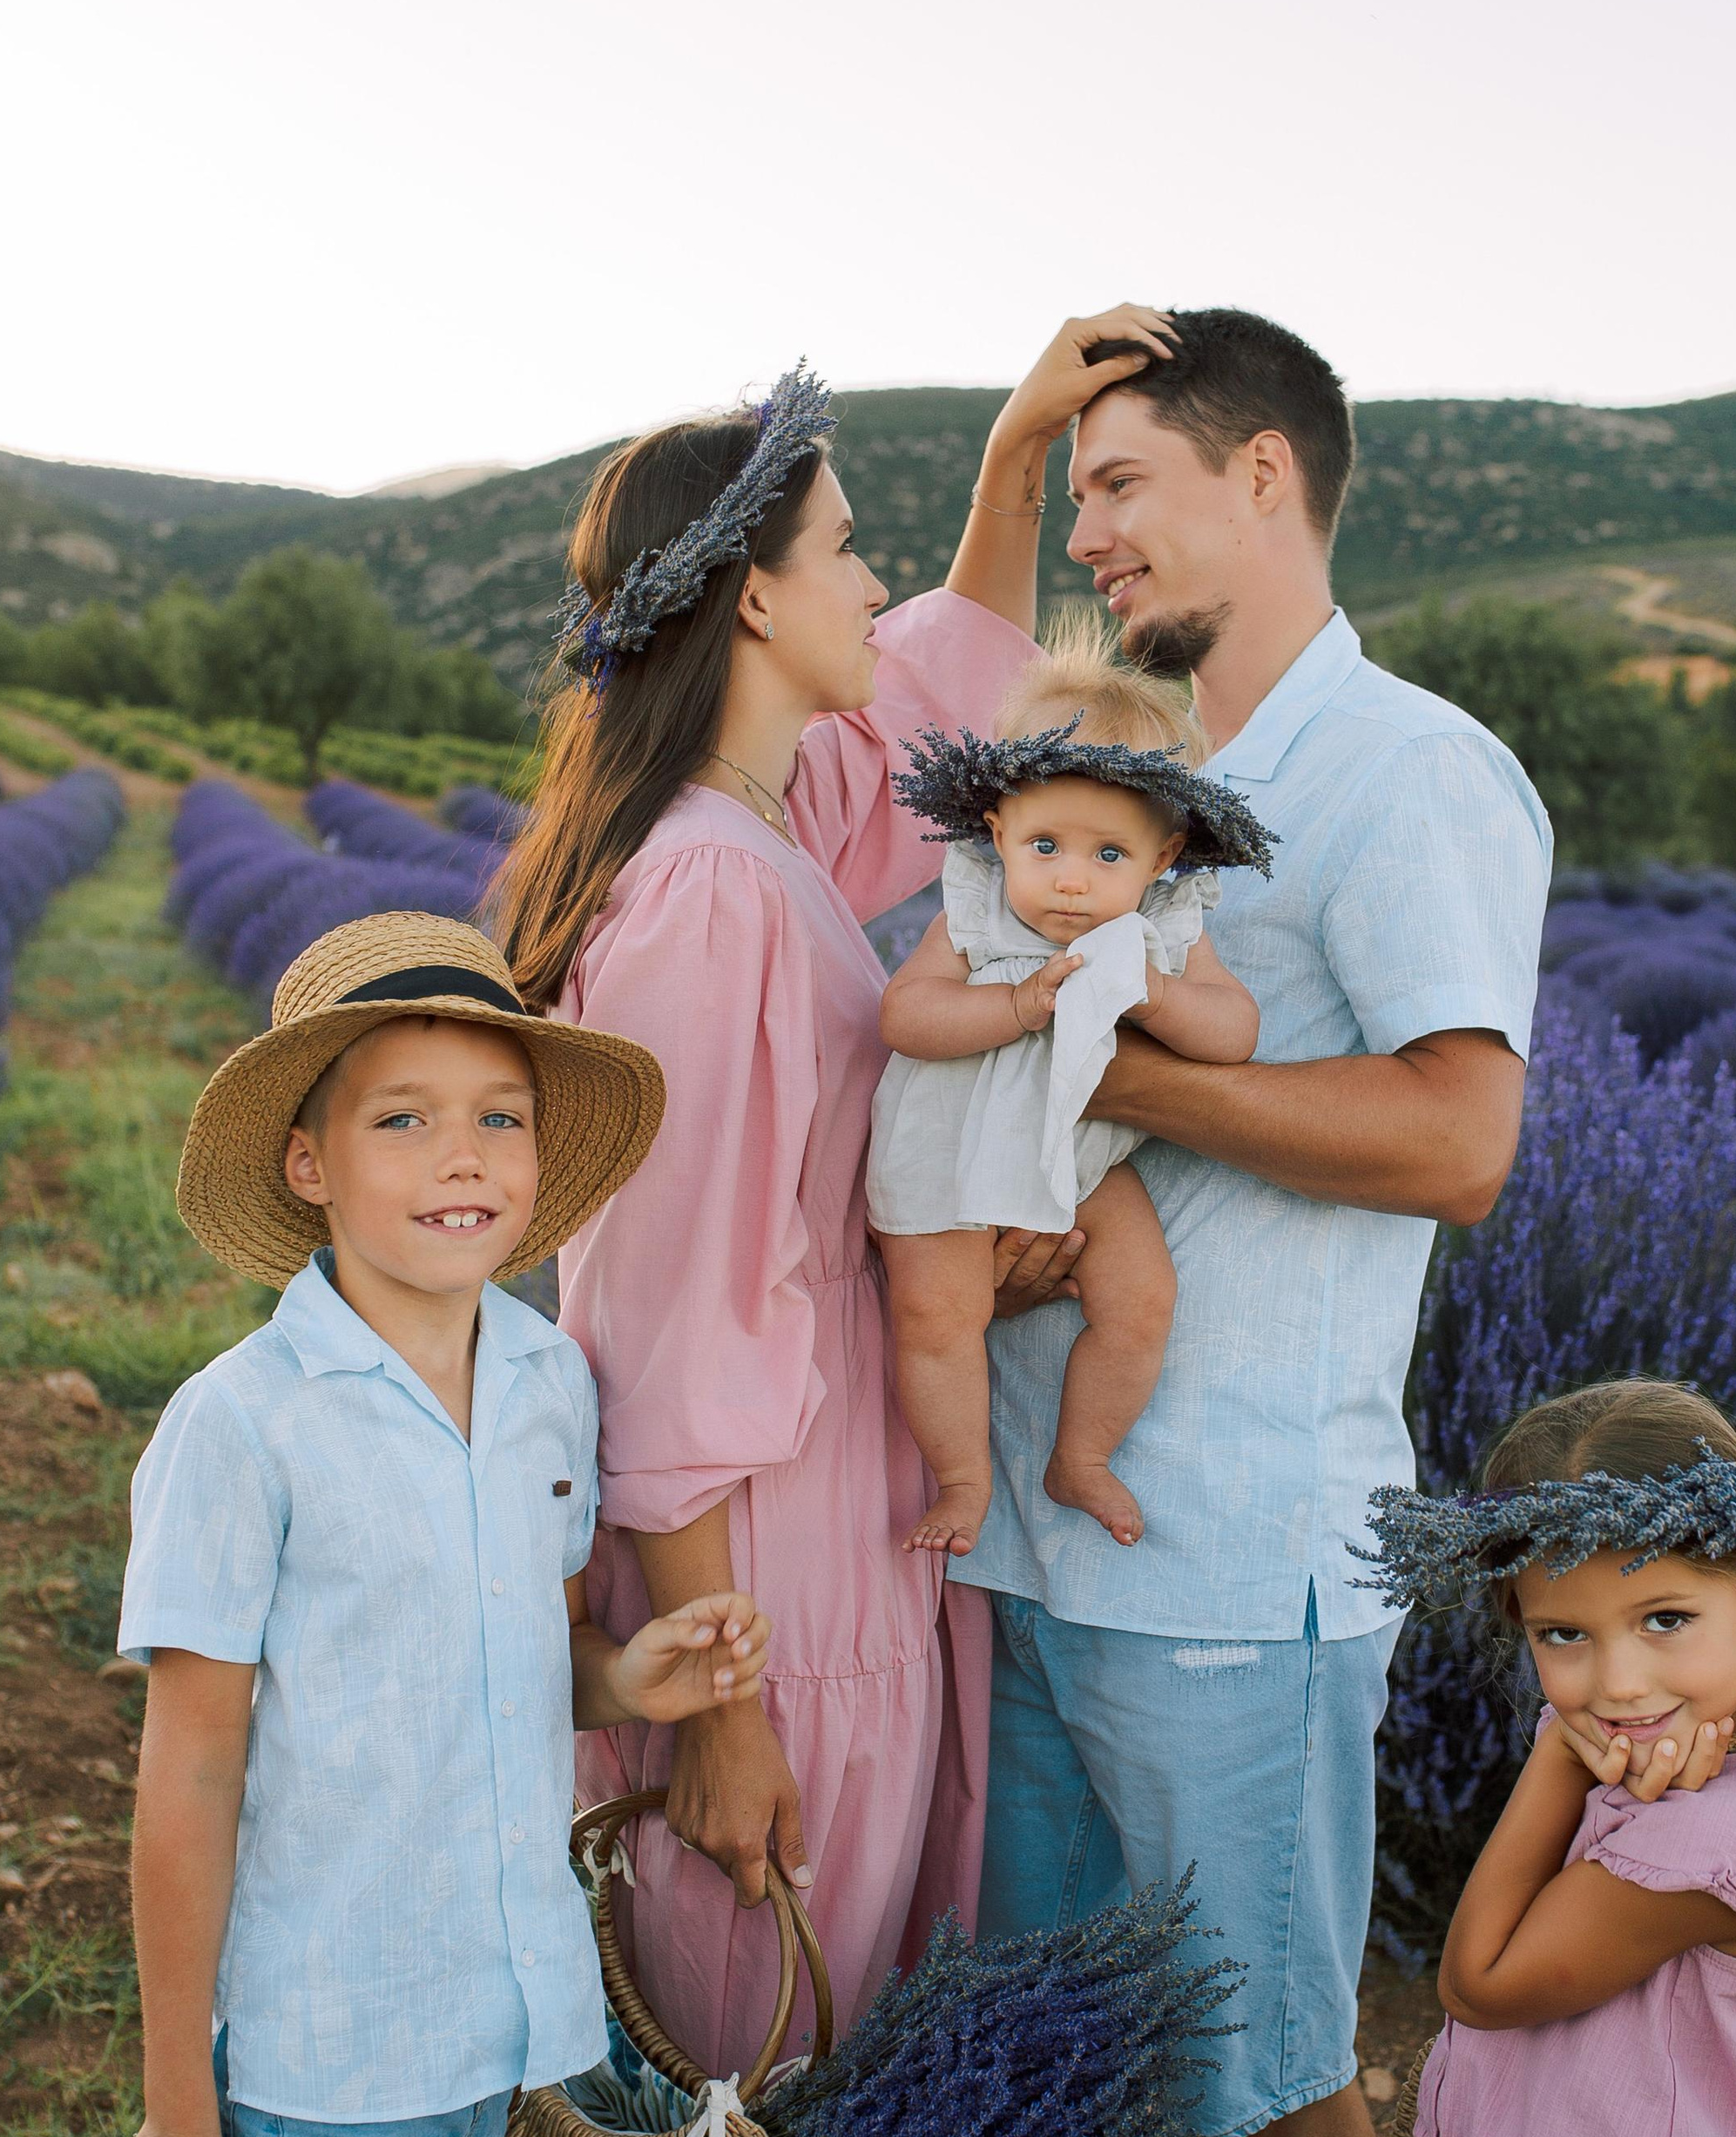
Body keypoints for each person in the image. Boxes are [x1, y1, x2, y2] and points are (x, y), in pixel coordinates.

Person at [488, 311, 1179, 2079]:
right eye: (844, 549)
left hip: (830, 1523)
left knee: (823, 2021)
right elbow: (660, 1311)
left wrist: (1015, 455)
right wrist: (720, 1708)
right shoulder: (713, 894)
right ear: (750, 601)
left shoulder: (769, 822)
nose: (872, 585)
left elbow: (949, 679)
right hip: (765, 1574)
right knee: (756, 2038)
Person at [961, 306, 1555, 2137]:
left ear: (1265, 475)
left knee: (1258, 2079)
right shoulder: (1114, 771)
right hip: (1023, 1534)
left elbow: (1460, 1137)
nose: (1090, 535)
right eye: (1074, 497)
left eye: (1120, 482)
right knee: (1050, 2061)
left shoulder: (1406, 770)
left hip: (1224, 1561)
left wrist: (1120, 1088)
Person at [124, 914, 773, 2137]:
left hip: (509, 2019)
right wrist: (173, 2102)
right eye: (403, 1119)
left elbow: (540, 1647)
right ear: (308, 1164)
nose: (463, 1156)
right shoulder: (244, 1425)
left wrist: (632, 1678)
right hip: (330, 2048)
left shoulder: (550, 1383)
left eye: (500, 1117)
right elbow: (191, 1768)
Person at [1357, 1377, 1736, 2137]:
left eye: (1664, 1618)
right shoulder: (1665, 1754)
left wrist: (1557, 1754)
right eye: (1562, 1634)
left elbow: (1477, 1987)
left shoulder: (1724, 1827)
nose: (1619, 1685)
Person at [868, 627, 1267, 1552]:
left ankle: (1081, 1456)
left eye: (1107, 856)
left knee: (1140, 1299)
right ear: (999, 828)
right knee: (937, 1316)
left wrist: (1159, 996)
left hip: (1085, 1146)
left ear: (1164, 857)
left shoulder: (1165, 924)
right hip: (953, 1138)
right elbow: (906, 1014)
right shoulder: (978, 902)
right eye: (1045, 844)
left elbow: (1235, 1031)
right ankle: (962, 1479)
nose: (1073, 883)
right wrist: (1014, 1005)